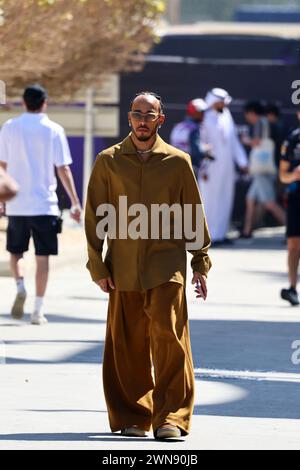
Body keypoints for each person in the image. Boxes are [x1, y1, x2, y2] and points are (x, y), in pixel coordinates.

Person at [85, 91, 212, 440]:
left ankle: (171, 417)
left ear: (160, 119)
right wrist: (97, 266)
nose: (143, 120)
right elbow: (95, 215)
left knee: (170, 340)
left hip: (166, 266)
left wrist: (200, 262)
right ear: (129, 118)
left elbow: (192, 213)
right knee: (127, 345)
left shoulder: (178, 162)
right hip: (123, 267)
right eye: (137, 114)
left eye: (150, 114)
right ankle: (133, 416)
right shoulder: (108, 161)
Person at [0, 84, 81, 324]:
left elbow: (2, 166)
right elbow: (63, 168)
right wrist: (75, 202)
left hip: (16, 204)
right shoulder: (54, 130)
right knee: (43, 257)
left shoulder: (10, 128)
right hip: (45, 204)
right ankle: (38, 309)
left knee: (16, 252)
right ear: (44, 103)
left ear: (24, 102)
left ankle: (20, 285)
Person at [198, 88, 248, 245]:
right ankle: (208, 235)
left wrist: (242, 161)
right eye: (221, 102)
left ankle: (221, 234)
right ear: (214, 101)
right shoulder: (203, 116)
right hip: (210, 166)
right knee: (209, 199)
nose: (224, 104)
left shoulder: (227, 115)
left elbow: (233, 141)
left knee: (226, 198)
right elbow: (199, 141)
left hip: (227, 166)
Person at [240, 101, 286, 240]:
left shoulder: (261, 123)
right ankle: (247, 231)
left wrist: (246, 140)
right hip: (264, 170)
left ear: (252, 113)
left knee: (270, 204)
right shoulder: (269, 123)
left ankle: (293, 232)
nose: (247, 118)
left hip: (263, 171)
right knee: (250, 199)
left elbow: (257, 142)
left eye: (247, 114)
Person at [279, 107, 300, 306]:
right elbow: (282, 175)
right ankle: (292, 288)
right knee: (293, 244)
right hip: (296, 195)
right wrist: (294, 175)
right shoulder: (293, 139)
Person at [170, 98, 213, 176]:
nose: (204, 115)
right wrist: (206, 149)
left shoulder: (179, 126)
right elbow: (196, 151)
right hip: (189, 168)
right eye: (202, 112)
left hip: (175, 167)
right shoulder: (194, 129)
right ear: (196, 112)